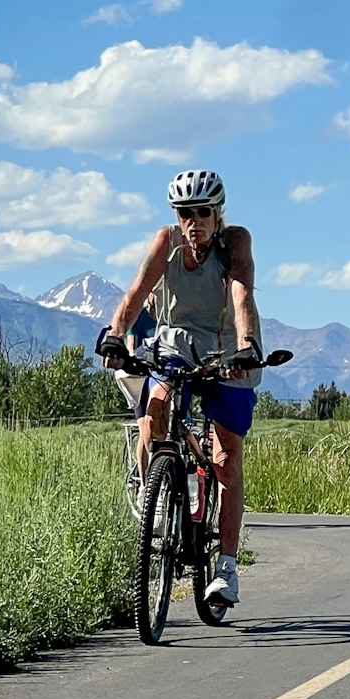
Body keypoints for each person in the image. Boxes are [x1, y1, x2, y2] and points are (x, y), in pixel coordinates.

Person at [98, 169, 260, 608]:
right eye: (186, 213)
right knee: (155, 408)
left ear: (218, 213)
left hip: (228, 351)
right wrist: (116, 334)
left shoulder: (235, 243)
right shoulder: (165, 243)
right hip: (175, 344)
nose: (194, 222)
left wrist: (246, 347)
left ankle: (226, 566)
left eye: (203, 212)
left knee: (226, 458)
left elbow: (242, 296)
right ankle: (157, 486)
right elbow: (135, 293)